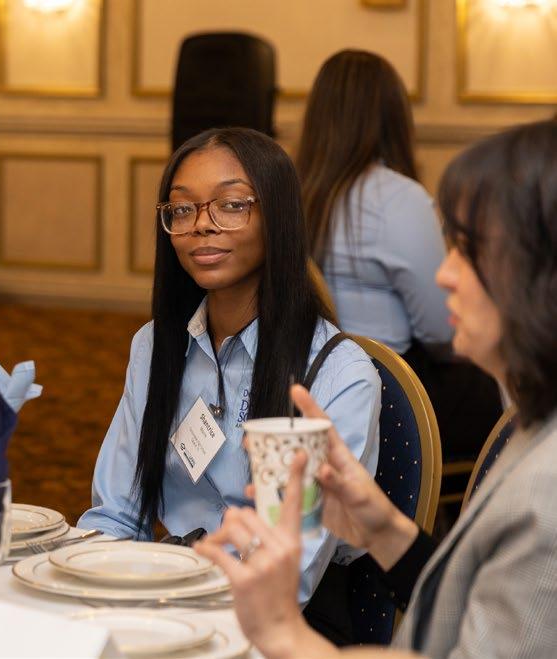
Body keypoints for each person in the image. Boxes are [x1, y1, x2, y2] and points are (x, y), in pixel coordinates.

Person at [196, 120, 557, 658]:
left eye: (469, 251)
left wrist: (288, 638)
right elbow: (467, 620)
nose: (444, 275)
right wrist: (384, 529)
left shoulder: (547, 491)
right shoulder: (536, 425)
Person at [77, 127, 380, 644]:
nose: (202, 225)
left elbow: (289, 575)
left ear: (278, 218)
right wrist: (96, 599)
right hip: (163, 600)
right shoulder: (155, 346)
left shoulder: (338, 375)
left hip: (282, 627)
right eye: (182, 209)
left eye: (232, 205)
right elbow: (117, 514)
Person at [297, 50, 501, 462]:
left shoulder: (292, 193)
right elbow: (441, 333)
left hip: (306, 389)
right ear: (394, 118)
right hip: (392, 400)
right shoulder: (399, 198)